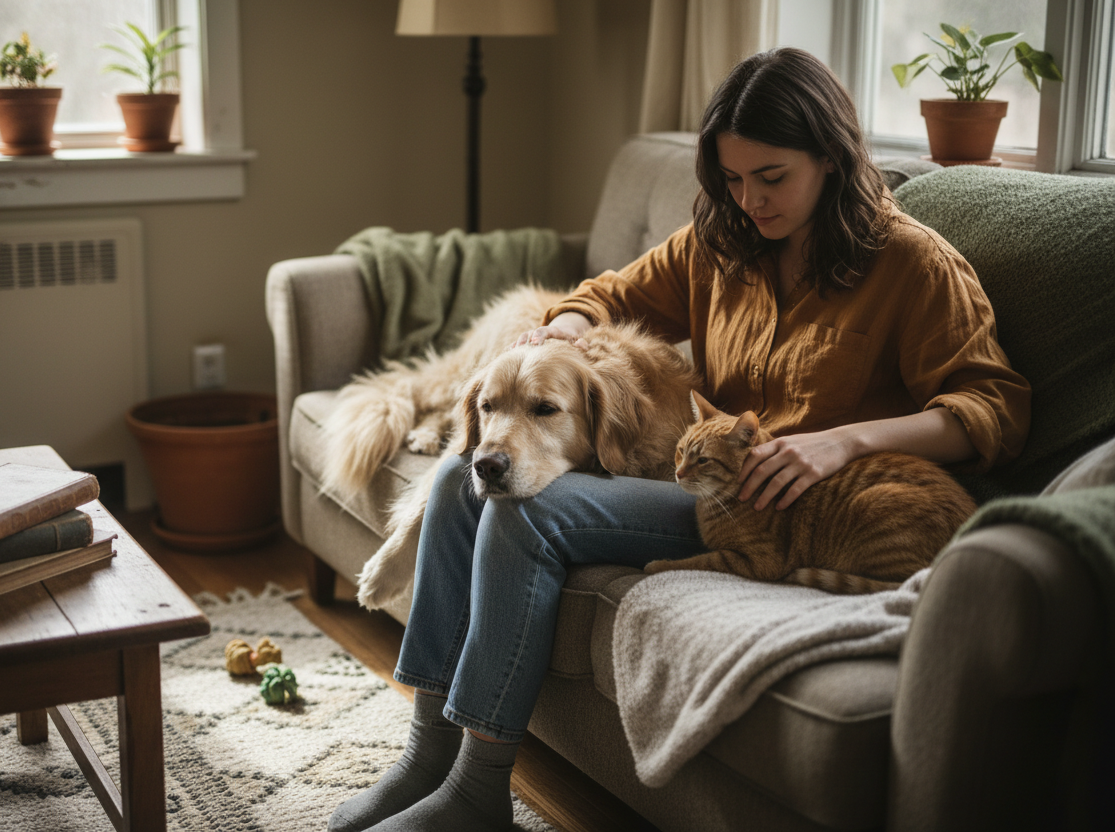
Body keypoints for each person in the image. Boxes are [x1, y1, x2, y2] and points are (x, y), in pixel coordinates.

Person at [328, 47, 1031, 832]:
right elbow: (602, 296)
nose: (750, 200)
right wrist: (555, 332)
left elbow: (993, 406)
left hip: (794, 510)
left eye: (771, 178)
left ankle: (477, 790)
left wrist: (844, 444)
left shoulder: (911, 263)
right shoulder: (721, 244)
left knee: (531, 511)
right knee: (467, 480)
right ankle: (427, 756)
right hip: (709, 490)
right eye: (732, 179)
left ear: (831, 159)